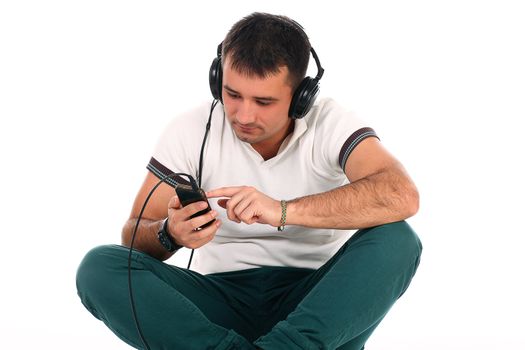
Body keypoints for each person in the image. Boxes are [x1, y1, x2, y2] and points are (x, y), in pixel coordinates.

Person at [76, 12, 422, 350]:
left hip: (318, 308)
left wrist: (282, 210)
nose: (243, 115)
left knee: (398, 238)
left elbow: (400, 194)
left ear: (302, 96)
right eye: (232, 94)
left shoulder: (330, 123)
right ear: (217, 80)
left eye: (264, 101)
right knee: (99, 266)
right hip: (215, 308)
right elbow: (134, 236)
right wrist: (170, 232)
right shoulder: (189, 130)